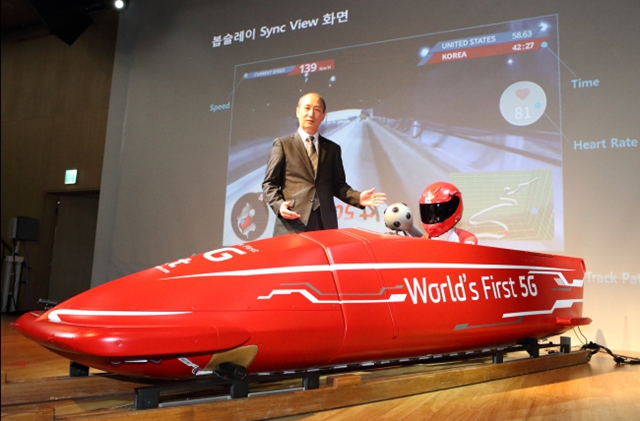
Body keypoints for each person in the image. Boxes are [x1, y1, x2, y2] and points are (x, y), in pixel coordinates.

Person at [262, 92, 386, 236]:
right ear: (297, 111)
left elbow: (338, 185)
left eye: (316, 109)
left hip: (325, 223)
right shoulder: (283, 144)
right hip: (293, 222)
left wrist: (357, 198)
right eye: (307, 108)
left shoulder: (332, 149)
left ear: (323, 116)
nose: (311, 114)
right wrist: (279, 205)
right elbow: (269, 183)